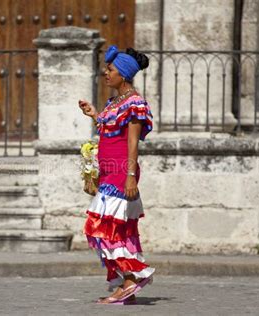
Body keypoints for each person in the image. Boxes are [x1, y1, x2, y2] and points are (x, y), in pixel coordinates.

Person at [78, 45, 155, 305]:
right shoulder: (115, 103)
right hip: (110, 172)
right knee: (115, 231)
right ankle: (126, 285)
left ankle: (131, 280)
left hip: (122, 173)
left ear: (123, 74)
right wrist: (95, 115)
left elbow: (132, 143)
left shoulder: (135, 103)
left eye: (110, 70)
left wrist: (130, 176)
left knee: (102, 228)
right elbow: (111, 132)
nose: (105, 73)